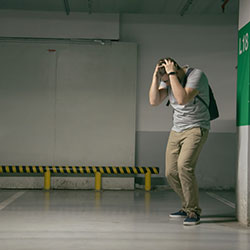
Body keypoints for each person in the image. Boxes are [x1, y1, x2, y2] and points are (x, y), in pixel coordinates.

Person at [149, 58, 210, 226]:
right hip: (177, 130)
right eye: (164, 82)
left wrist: (171, 75)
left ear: (175, 69)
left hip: (196, 128)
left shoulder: (196, 75)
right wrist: (156, 77)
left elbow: (182, 98)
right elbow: (154, 101)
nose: (166, 84)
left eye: (167, 81)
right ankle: (186, 205)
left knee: (184, 166)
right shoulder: (166, 79)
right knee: (170, 172)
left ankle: (193, 210)